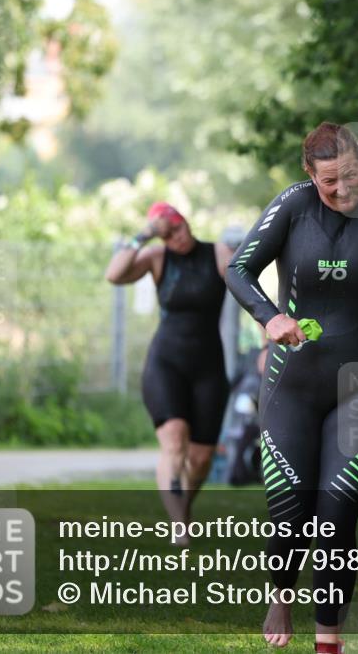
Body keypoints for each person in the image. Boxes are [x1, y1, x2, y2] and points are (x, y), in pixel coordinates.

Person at [224, 123, 358, 653]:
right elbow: (239, 269)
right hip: (291, 386)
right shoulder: (294, 204)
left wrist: (356, 152)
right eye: (329, 180)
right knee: (291, 515)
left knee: (335, 519)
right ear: (309, 175)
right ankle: (281, 594)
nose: (342, 189)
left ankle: (328, 642)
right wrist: (269, 317)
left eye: (350, 175)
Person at [105, 202, 234, 546]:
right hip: (166, 365)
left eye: (178, 228)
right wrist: (146, 234)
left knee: (201, 458)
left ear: (187, 222)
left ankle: (183, 510)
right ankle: (179, 527)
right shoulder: (157, 257)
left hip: (208, 366)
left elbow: (245, 283)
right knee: (174, 441)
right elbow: (114, 274)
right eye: (168, 234)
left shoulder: (217, 253)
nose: (177, 237)